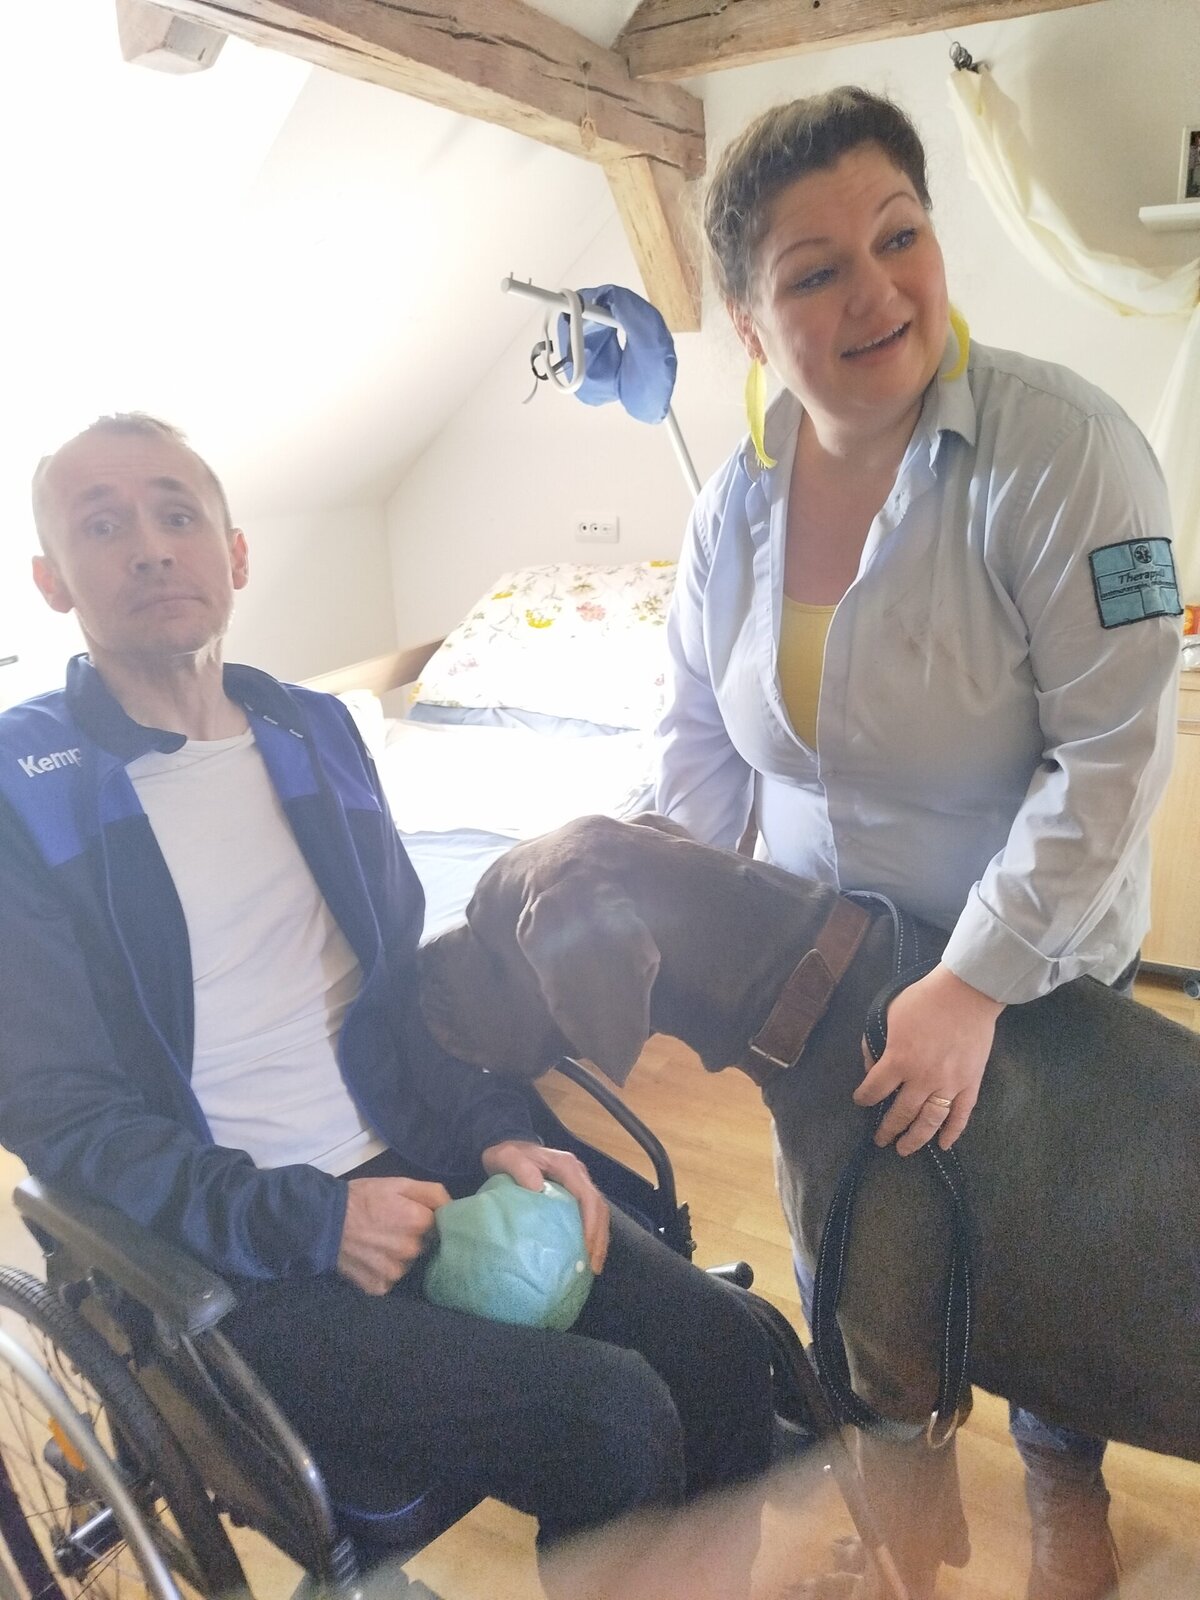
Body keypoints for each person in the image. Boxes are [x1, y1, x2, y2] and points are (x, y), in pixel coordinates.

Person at [0, 413, 776, 1597]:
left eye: (177, 513)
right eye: (103, 525)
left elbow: (402, 986)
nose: (150, 546)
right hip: (247, 1261)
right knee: (612, 1422)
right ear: (54, 579)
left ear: (235, 553)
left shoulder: (312, 729)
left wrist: (493, 1128)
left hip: (421, 1162)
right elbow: (64, 1116)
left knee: (727, 1346)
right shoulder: (26, 792)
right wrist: (316, 1221)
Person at [653, 87, 1183, 1600]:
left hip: (1029, 975)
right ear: (752, 325)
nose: (874, 291)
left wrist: (971, 982)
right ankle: (903, 1498)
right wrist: (679, 930)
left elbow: (1112, 752)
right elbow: (697, 739)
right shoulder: (733, 508)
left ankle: (1064, 1487)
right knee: (859, 1253)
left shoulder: (1065, 448)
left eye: (899, 237)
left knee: (1052, 1257)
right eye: (815, 270)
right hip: (816, 985)